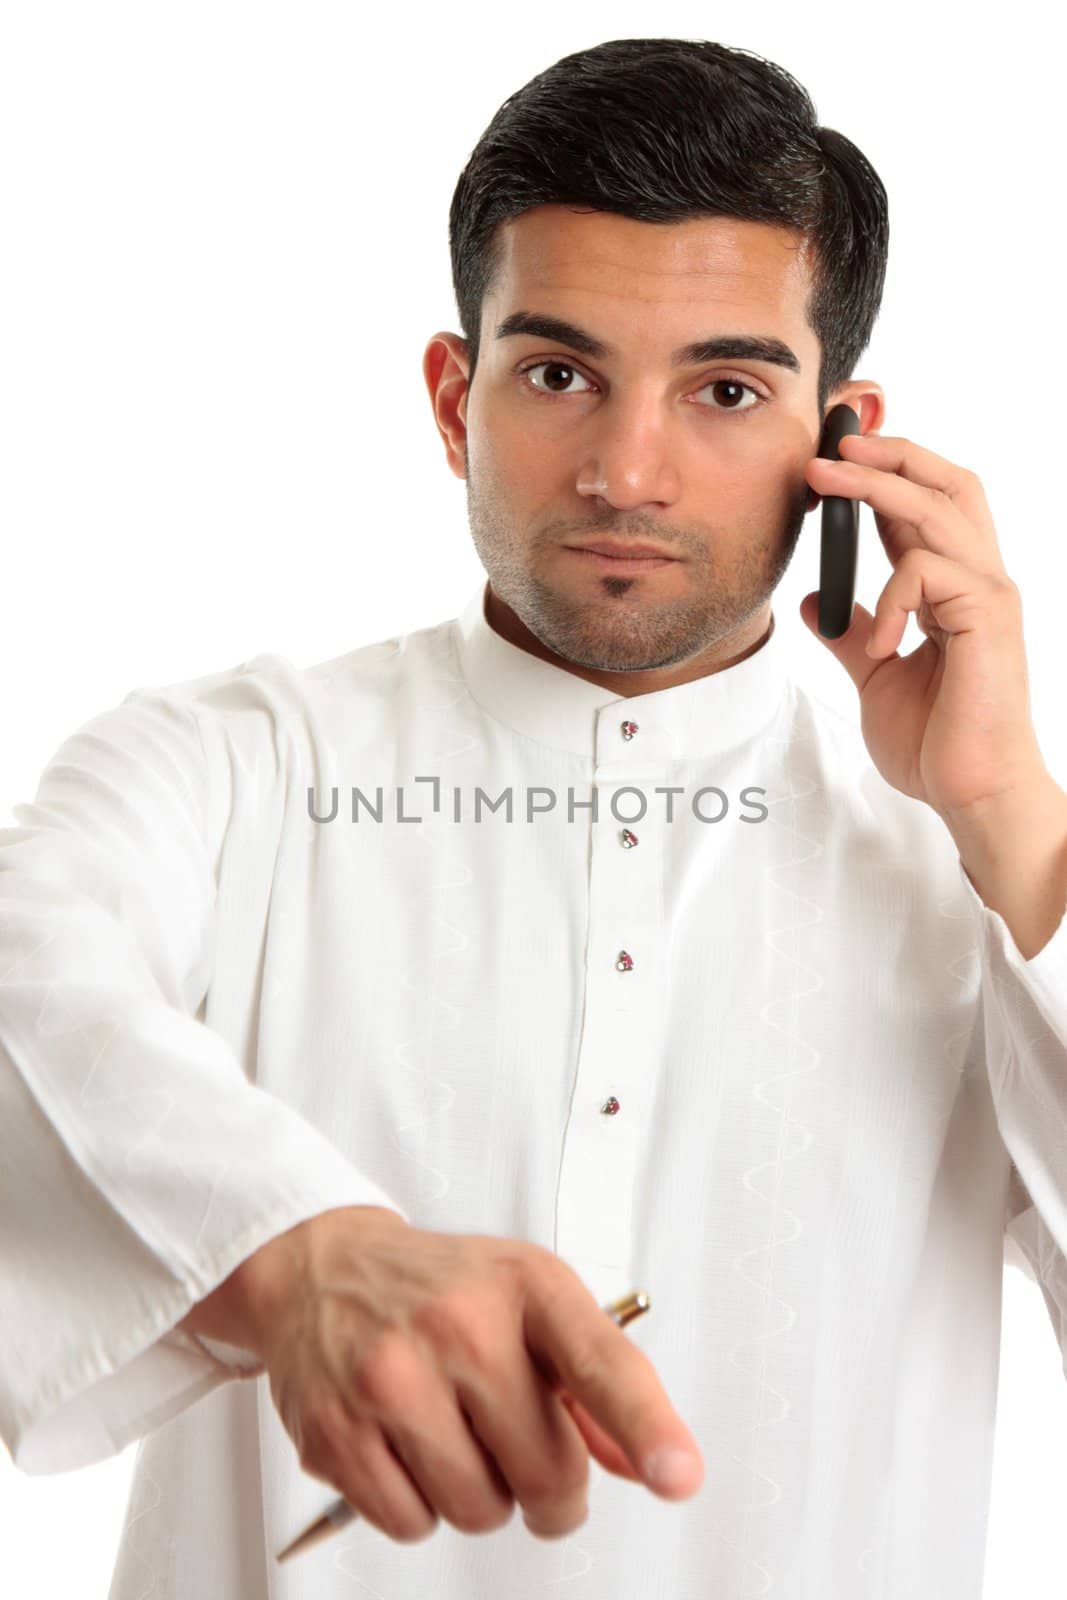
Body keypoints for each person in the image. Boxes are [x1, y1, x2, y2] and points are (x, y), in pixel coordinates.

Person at [3, 35, 1067, 1600]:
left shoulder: (978, 869)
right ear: (455, 397)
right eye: (560, 375)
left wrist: (1017, 828)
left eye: (725, 389)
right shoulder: (232, 764)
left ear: (844, 440)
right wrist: (294, 1260)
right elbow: (33, 968)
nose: (628, 472)